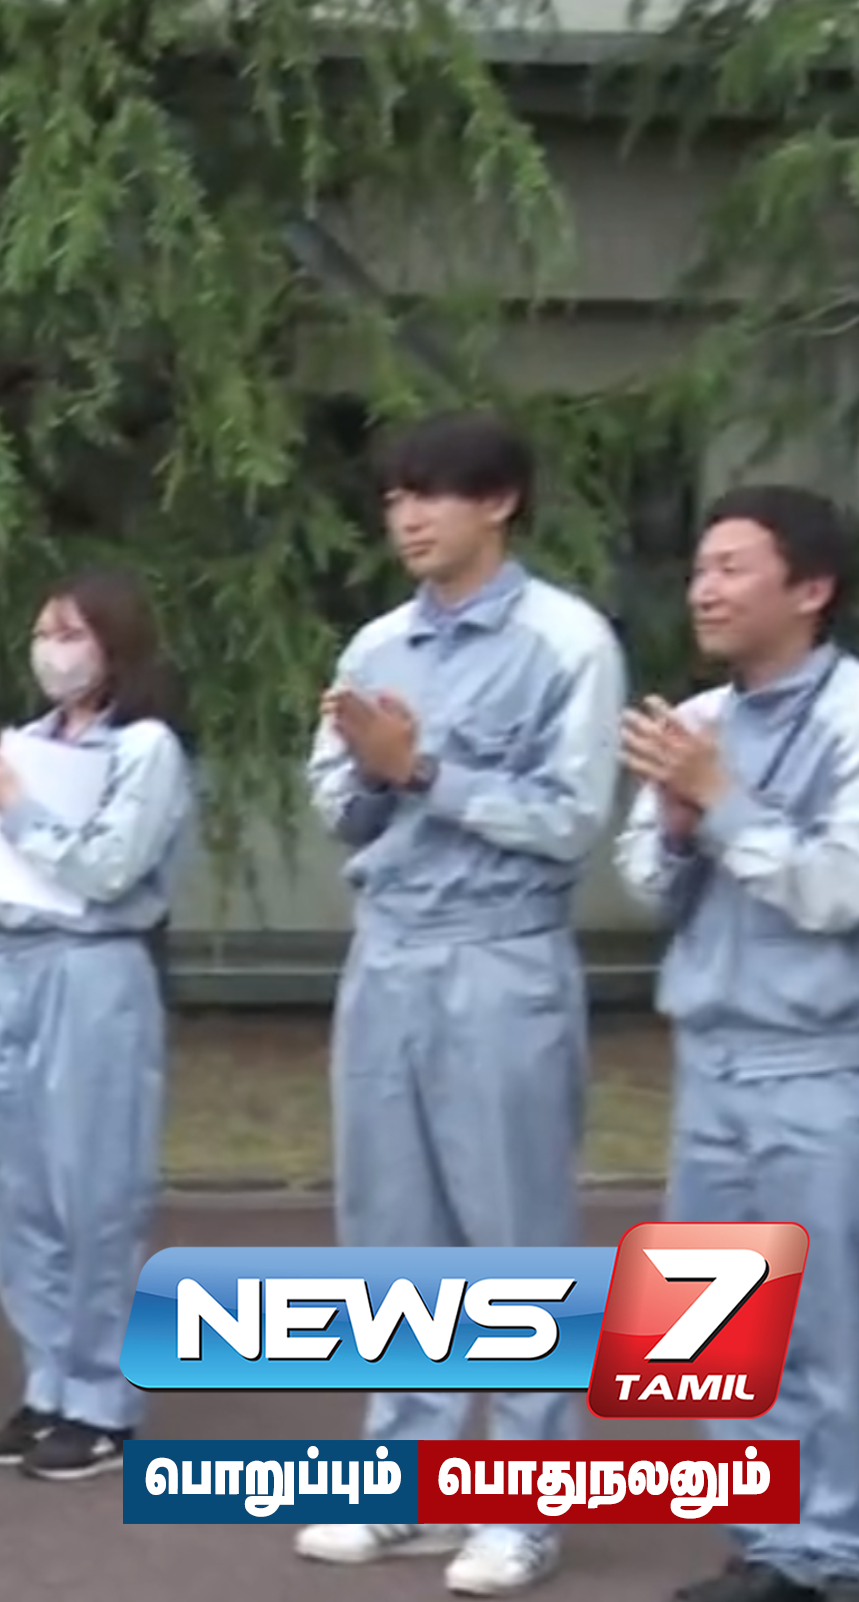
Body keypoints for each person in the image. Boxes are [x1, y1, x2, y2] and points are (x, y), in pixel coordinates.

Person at [294, 411, 625, 1596]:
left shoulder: (565, 641)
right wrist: (370, 773)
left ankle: (523, 1508)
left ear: (499, 502)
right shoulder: (378, 642)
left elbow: (571, 818)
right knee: (388, 1229)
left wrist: (424, 769)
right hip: (387, 951)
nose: (407, 518)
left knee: (511, 1235)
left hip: (500, 954)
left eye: (431, 494)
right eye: (394, 498)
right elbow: (336, 800)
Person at [613, 485, 859, 1602]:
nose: (703, 589)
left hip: (829, 1065)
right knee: (712, 1329)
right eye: (700, 567)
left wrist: (721, 801)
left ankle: (849, 1557)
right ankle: (765, 1546)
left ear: (810, 588)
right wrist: (674, 826)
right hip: (710, 1057)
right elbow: (644, 883)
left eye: (732, 567)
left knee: (839, 1326)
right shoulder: (697, 719)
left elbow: (842, 889)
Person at [0, 569, 195, 1481]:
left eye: (72, 631)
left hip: (95, 969)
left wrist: (10, 801)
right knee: (15, 1187)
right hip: (12, 966)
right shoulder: (29, 744)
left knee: (95, 1187)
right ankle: (47, 1378)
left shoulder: (144, 748)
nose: (53, 649)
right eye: (44, 631)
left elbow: (108, 868)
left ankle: (103, 1399)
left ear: (116, 643)